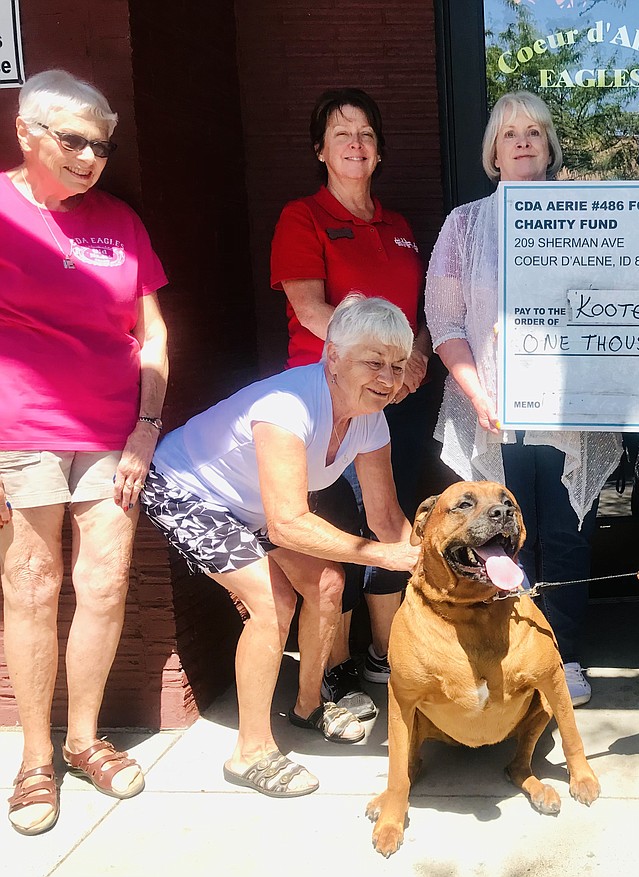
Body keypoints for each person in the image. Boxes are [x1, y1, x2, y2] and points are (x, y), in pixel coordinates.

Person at [139, 295, 419, 797]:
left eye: (397, 366)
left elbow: (386, 517)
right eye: (373, 362)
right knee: (273, 604)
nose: (388, 378)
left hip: (254, 503)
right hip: (186, 487)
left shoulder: (372, 418)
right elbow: (289, 522)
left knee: (329, 584)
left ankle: (308, 704)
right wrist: (381, 555)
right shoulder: (287, 407)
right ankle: (250, 752)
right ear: (332, 356)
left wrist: (430, 565)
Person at [1, 70, 169, 836]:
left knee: (103, 581)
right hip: (22, 426)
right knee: (32, 584)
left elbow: (154, 334)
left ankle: (82, 738)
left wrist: (147, 424)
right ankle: (35, 757)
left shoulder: (121, 222)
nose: (90, 158)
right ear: (26, 132)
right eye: (73, 141)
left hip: (113, 429)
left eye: (100, 145)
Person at [426, 91, 623, 706]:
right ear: (492, 150)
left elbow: (618, 299)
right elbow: (445, 322)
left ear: (549, 146)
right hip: (491, 416)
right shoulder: (463, 226)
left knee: (565, 536)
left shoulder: (589, 218)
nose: (523, 141)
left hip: (568, 421)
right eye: (510, 132)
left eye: (535, 131)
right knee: (501, 537)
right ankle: (510, 650)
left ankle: (562, 658)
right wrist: (480, 396)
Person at [270, 87, 434, 722]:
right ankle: (333, 668)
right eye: (341, 134)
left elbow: (414, 318)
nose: (356, 144)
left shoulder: (399, 229)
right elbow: (310, 308)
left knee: (389, 523)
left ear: (380, 149)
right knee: (335, 537)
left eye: (365, 133)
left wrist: (412, 358)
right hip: (325, 400)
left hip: (397, 399)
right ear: (321, 149)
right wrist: (376, 362)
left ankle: (383, 655)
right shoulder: (302, 217)